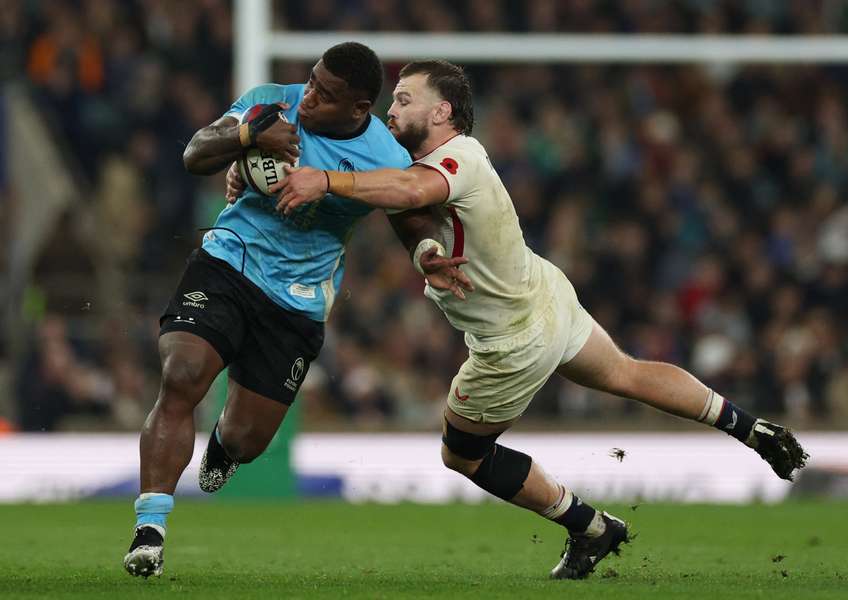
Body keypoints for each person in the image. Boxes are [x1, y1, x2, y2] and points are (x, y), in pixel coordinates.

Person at [270, 60, 809, 580]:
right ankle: (751, 427)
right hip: (543, 292)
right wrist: (425, 254)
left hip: (513, 338)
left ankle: (590, 527)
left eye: (405, 100)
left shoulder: (461, 157)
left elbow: (411, 193)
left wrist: (326, 181)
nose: (392, 110)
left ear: (443, 112)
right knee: (626, 372)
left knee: (462, 454)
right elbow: (411, 206)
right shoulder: (430, 163)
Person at [123, 43, 467, 578]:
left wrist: (426, 254)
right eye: (311, 81)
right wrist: (246, 136)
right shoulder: (270, 105)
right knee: (182, 374)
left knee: (247, 439)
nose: (308, 97)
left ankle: (223, 449)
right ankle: (151, 528)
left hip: (298, 300)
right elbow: (195, 154)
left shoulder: (385, 153)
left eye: (325, 95)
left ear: (358, 108)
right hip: (228, 261)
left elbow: (408, 215)